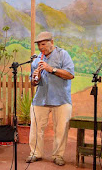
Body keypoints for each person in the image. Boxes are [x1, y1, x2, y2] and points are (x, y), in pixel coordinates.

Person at [26, 31, 74, 166]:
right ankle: (35, 153)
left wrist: (51, 69)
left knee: (61, 129)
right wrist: (37, 78)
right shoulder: (36, 60)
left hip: (61, 99)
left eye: (43, 44)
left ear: (51, 42)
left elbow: (70, 74)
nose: (41, 48)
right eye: (39, 45)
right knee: (36, 128)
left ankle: (58, 155)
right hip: (40, 98)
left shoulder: (63, 54)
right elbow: (32, 82)